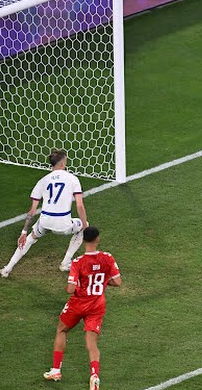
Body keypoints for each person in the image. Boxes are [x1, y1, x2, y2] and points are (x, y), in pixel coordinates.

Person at [43, 226, 121, 390]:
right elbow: (117, 282)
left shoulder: (79, 262)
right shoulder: (107, 258)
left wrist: (70, 288)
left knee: (61, 330)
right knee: (91, 342)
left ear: (84, 240)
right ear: (97, 239)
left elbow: (71, 289)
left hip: (78, 304)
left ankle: (56, 370)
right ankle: (94, 376)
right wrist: (101, 283)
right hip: (97, 305)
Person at [1, 149, 88, 278]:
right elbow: (79, 205)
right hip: (63, 224)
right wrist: (85, 226)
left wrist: (24, 232)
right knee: (83, 225)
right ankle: (65, 263)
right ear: (63, 164)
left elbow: (32, 211)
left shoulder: (42, 181)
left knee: (30, 238)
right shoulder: (73, 179)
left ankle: (7, 269)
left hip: (45, 221)